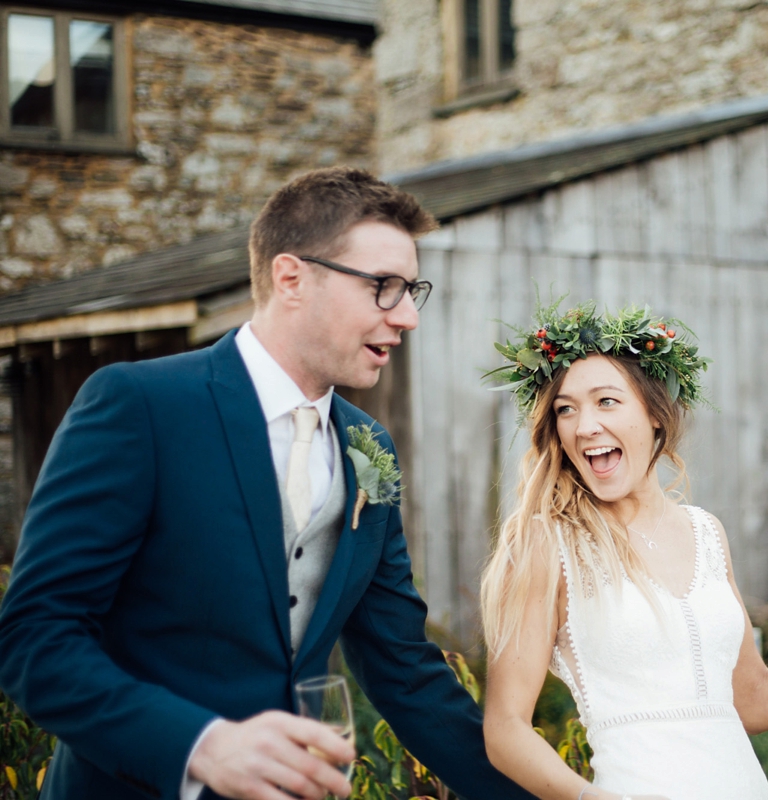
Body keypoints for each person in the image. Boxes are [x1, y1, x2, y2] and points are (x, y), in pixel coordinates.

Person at [0, 167, 535, 800]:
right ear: (291, 278)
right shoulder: (140, 407)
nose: (408, 317)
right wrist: (201, 745)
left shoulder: (370, 448)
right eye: (383, 288)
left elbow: (404, 670)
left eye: (411, 289)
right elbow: (36, 635)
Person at [479, 302, 768, 800]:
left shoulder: (706, 533)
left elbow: (752, 697)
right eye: (566, 409)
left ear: (656, 414)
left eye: (605, 401)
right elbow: (505, 729)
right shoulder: (549, 544)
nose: (584, 425)